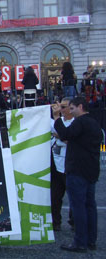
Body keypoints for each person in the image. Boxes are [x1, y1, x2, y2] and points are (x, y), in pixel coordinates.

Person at [52, 97, 102, 253]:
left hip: (77, 170)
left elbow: (66, 134)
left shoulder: (80, 122)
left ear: (81, 106)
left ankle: (80, 241)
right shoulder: (94, 123)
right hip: (91, 170)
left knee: (79, 206)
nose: (70, 112)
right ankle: (90, 240)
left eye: (72, 108)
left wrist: (56, 118)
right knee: (90, 206)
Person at [50, 97, 74, 231]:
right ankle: (55, 221)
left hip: (69, 164)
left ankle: (74, 221)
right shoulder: (57, 122)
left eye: (64, 107)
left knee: (74, 196)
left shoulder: (75, 123)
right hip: (56, 162)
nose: (61, 109)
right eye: (61, 106)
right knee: (55, 195)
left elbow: (70, 138)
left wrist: (61, 136)